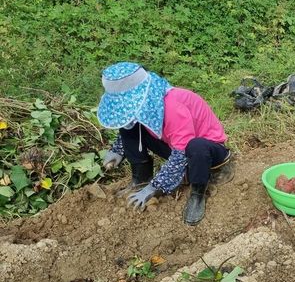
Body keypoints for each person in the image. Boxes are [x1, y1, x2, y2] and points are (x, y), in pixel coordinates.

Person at [97, 62, 230, 225]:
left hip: (207, 154)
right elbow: (132, 124)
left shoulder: (173, 107)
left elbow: (182, 152)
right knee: (129, 127)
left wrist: (154, 187)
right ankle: (141, 179)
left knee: (196, 146)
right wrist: (118, 150)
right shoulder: (149, 104)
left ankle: (197, 194)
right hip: (178, 148)